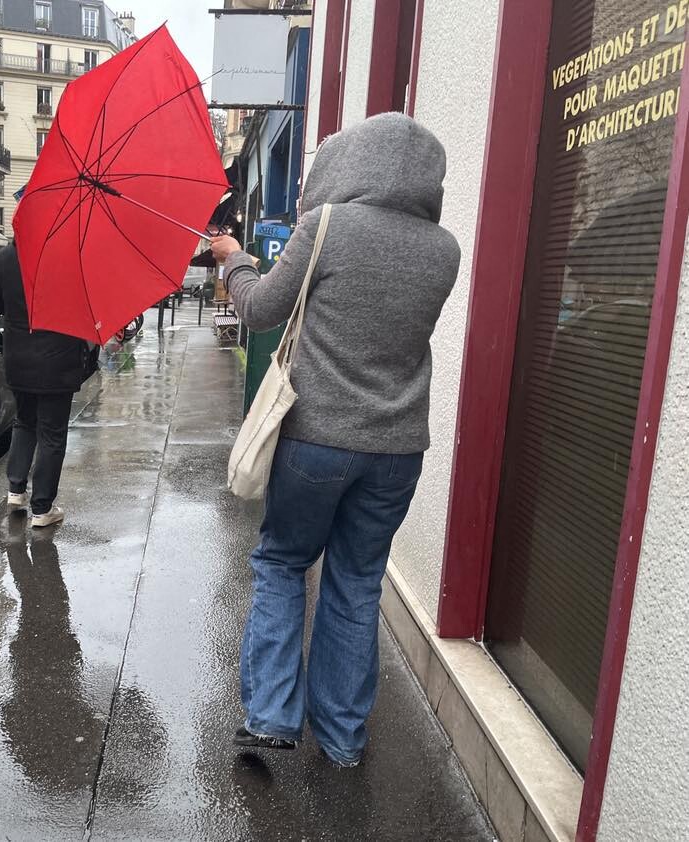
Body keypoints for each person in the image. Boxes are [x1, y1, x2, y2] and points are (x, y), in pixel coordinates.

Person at [209, 113, 461, 765]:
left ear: (349, 166)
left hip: (316, 439)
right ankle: (344, 738)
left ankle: (269, 716)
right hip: (398, 448)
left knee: (282, 562)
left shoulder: (327, 227)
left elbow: (261, 309)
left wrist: (231, 260)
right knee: (356, 582)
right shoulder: (444, 249)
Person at [0, 236, 91, 528]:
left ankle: (16, 490)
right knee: (52, 434)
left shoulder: (6, 258)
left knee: (24, 421)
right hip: (59, 361)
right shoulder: (73, 260)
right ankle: (42, 508)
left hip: (19, 359)